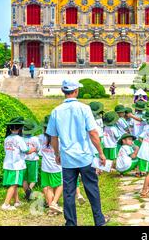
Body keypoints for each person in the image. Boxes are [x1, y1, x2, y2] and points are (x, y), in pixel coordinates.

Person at [46, 80, 109, 226]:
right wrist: (100, 153)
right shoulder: (84, 108)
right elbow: (93, 133)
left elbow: (53, 137)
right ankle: (99, 220)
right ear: (76, 91)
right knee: (92, 189)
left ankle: (71, 222)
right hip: (85, 156)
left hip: (68, 158)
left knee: (69, 192)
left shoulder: (56, 111)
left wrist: (57, 154)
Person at [1, 117, 37, 211]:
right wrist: (34, 149)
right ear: (20, 128)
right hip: (16, 165)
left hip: (8, 164)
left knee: (14, 184)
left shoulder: (7, 138)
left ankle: (17, 202)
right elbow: (26, 150)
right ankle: (6, 204)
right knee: (13, 184)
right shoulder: (19, 139)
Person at [39, 115, 63, 215]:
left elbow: (39, 152)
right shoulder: (59, 138)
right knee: (61, 184)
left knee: (47, 186)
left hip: (45, 167)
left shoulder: (40, 137)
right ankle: (53, 203)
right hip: (56, 166)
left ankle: (51, 209)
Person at [22, 119, 41, 201]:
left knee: (24, 179)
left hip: (23, 161)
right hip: (33, 160)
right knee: (33, 179)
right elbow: (38, 149)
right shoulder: (35, 139)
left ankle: (27, 194)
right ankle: (29, 190)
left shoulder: (21, 139)